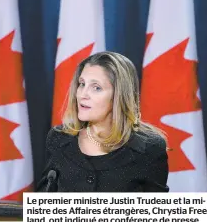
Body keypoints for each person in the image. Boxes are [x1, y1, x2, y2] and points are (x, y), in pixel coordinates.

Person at [37, 51, 169, 192]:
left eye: (96, 88)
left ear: (119, 95)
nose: (82, 94)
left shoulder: (149, 147)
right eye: (82, 84)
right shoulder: (59, 138)